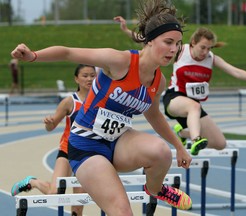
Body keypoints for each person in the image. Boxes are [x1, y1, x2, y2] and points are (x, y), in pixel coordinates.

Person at [11, 0, 193, 215]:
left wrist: (179, 147)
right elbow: (68, 53)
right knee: (122, 212)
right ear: (150, 41)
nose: (174, 49)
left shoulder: (158, 81)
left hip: (118, 142)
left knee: (162, 152)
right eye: (168, 42)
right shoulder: (119, 61)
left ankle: (155, 189)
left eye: (178, 44)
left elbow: (153, 114)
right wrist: (33, 56)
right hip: (86, 145)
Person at [162, 27, 246, 155]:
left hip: (194, 108)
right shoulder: (181, 50)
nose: (205, 52)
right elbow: (159, 50)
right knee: (193, 106)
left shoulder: (211, 58)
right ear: (193, 42)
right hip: (174, 98)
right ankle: (196, 140)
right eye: (203, 47)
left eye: (209, 48)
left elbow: (235, 71)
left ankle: (182, 133)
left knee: (220, 144)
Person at [11, 64, 97, 216]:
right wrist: (50, 123)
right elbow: (50, 127)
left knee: (78, 205)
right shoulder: (69, 102)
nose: (89, 79)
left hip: (87, 155)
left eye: (92, 75)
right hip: (67, 150)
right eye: (85, 75)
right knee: (55, 194)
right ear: (76, 79)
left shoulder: (100, 101)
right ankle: (33, 182)